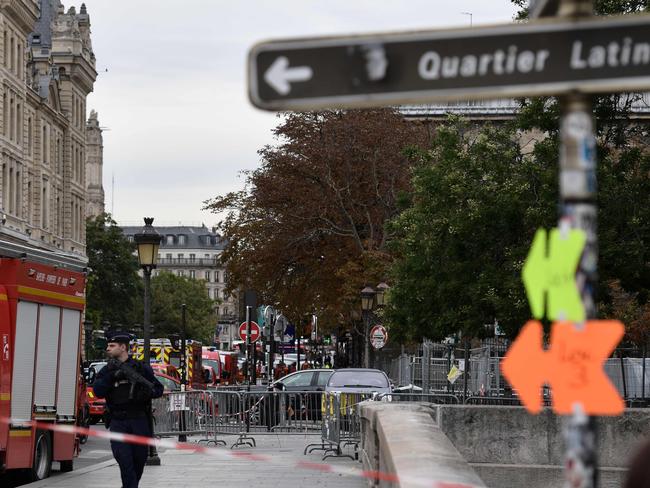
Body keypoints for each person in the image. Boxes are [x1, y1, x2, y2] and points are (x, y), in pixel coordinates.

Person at [93, 331, 164, 488]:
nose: (108, 349)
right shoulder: (107, 370)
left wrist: (145, 393)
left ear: (123, 347)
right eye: (108, 345)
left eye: (112, 346)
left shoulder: (140, 368)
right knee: (125, 462)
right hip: (118, 422)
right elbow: (97, 391)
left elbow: (158, 389)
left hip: (138, 421)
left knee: (138, 462)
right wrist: (112, 376)